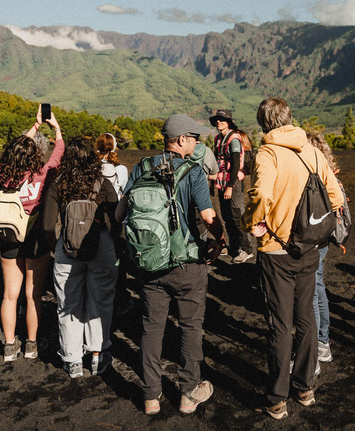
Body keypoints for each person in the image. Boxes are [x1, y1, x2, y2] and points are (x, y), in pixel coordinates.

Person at [241, 98, 345, 420]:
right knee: (306, 319)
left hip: (276, 250)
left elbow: (261, 194)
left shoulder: (268, 154)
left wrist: (252, 222)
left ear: (263, 124)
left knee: (280, 325)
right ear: (289, 118)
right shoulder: (312, 151)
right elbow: (336, 196)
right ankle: (305, 387)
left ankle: (276, 399)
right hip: (310, 249)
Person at [115, 114, 225, 416]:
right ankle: (189, 393)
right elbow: (207, 216)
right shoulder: (193, 170)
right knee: (191, 327)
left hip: (149, 262)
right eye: (194, 137)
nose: (197, 142)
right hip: (187, 264)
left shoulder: (141, 167)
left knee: (151, 328)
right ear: (181, 140)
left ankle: (151, 396)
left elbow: (119, 213)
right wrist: (221, 237)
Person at [41, 137, 119, 378]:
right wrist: (113, 245)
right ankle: (97, 355)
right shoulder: (103, 184)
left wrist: (56, 250)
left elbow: (46, 225)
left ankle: (72, 360)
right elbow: (116, 219)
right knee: (100, 301)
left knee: (68, 304)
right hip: (102, 246)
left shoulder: (58, 185)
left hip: (67, 247)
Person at [0, 105, 63, 362]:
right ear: (37, 153)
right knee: (33, 294)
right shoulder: (43, 174)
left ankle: (9, 345)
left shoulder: (1, 172)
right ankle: (31, 344)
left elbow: (14, 150)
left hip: (8, 237)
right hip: (34, 238)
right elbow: (59, 152)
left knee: (9, 295)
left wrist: (33, 127)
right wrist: (55, 128)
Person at [305, 131, 338, 365]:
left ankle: (318, 344)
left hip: (313, 237)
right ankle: (323, 340)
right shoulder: (330, 175)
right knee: (318, 283)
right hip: (324, 238)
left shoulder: (313, 176)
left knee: (313, 289)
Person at [95, 132, 133, 315]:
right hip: (116, 217)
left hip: (95, 216)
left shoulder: (92, 168)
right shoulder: (121, 169)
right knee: (118, 256)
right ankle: (120, 297)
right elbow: (125, 193)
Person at [210, 109, 254, 263]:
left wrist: (229, 186)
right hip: (223, 182)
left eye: (222, 120)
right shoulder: (218, 139)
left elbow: (235, 165)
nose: (218, 122)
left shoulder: (234, 140)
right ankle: (234, 247)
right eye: (217, 119)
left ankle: (247, 250)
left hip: (233, 183)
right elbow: (216, 162)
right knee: (227, 216)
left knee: (237, 215)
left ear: (229, 122)